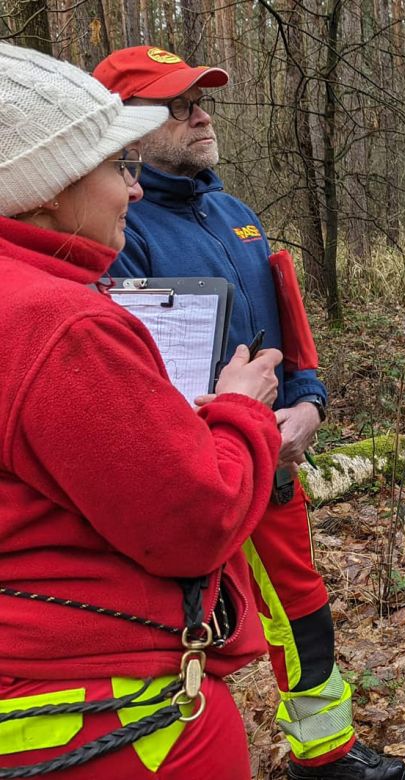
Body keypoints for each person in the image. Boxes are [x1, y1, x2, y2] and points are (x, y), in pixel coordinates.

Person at [92, 46, 405, 780]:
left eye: (201, 100)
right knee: (204, 628)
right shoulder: (117, 231)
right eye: (177, 106)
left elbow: (284, 325)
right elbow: (133, 379)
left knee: (301, 605)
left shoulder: (234, 213)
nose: (201, 115)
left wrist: (310, 406)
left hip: (270, 462)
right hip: (190, 480)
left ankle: (324, 752)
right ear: (128, 129)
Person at [0, 42, 282, 778]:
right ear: (42, 191)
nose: (132, 191)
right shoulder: (60, 323)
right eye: (115, 168)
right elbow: (195, 520)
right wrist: (240, 412)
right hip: (115, 714)